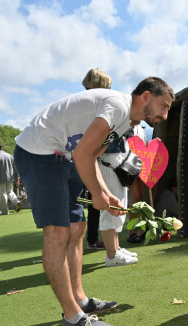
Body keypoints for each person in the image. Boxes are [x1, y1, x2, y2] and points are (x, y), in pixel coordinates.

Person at [14, 76, 174, 326]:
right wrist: (98, 195)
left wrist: (106, 193)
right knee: (58, 232)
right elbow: (82, 154)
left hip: (62, 157)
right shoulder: (119, 106)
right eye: (164, 106)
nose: (166, 115)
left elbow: (94, 155)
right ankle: (72, 317)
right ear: (146, 97)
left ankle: (80, 299)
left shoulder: (126, 121)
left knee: (77, 227)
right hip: (39, 153)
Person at [98, 125, 142, 267]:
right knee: (112, 209)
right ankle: (112, 256)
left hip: (117, 161)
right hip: (108, 162)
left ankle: (116, 249)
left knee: (119, 207)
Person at [82, 68, 112, 251]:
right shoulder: (96, 106)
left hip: (84, 157)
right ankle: (91, 239)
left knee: (89, 202)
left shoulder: (83, 103)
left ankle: (91, 239)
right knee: (92, 200)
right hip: (86, 158)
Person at [0, 142, 20, 215]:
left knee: (3, 194)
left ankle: (5, 211)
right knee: (10, 192)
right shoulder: (10, 156)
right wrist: (16, 177)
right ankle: (17, 201)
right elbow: (15, 167)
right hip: (10, 178)